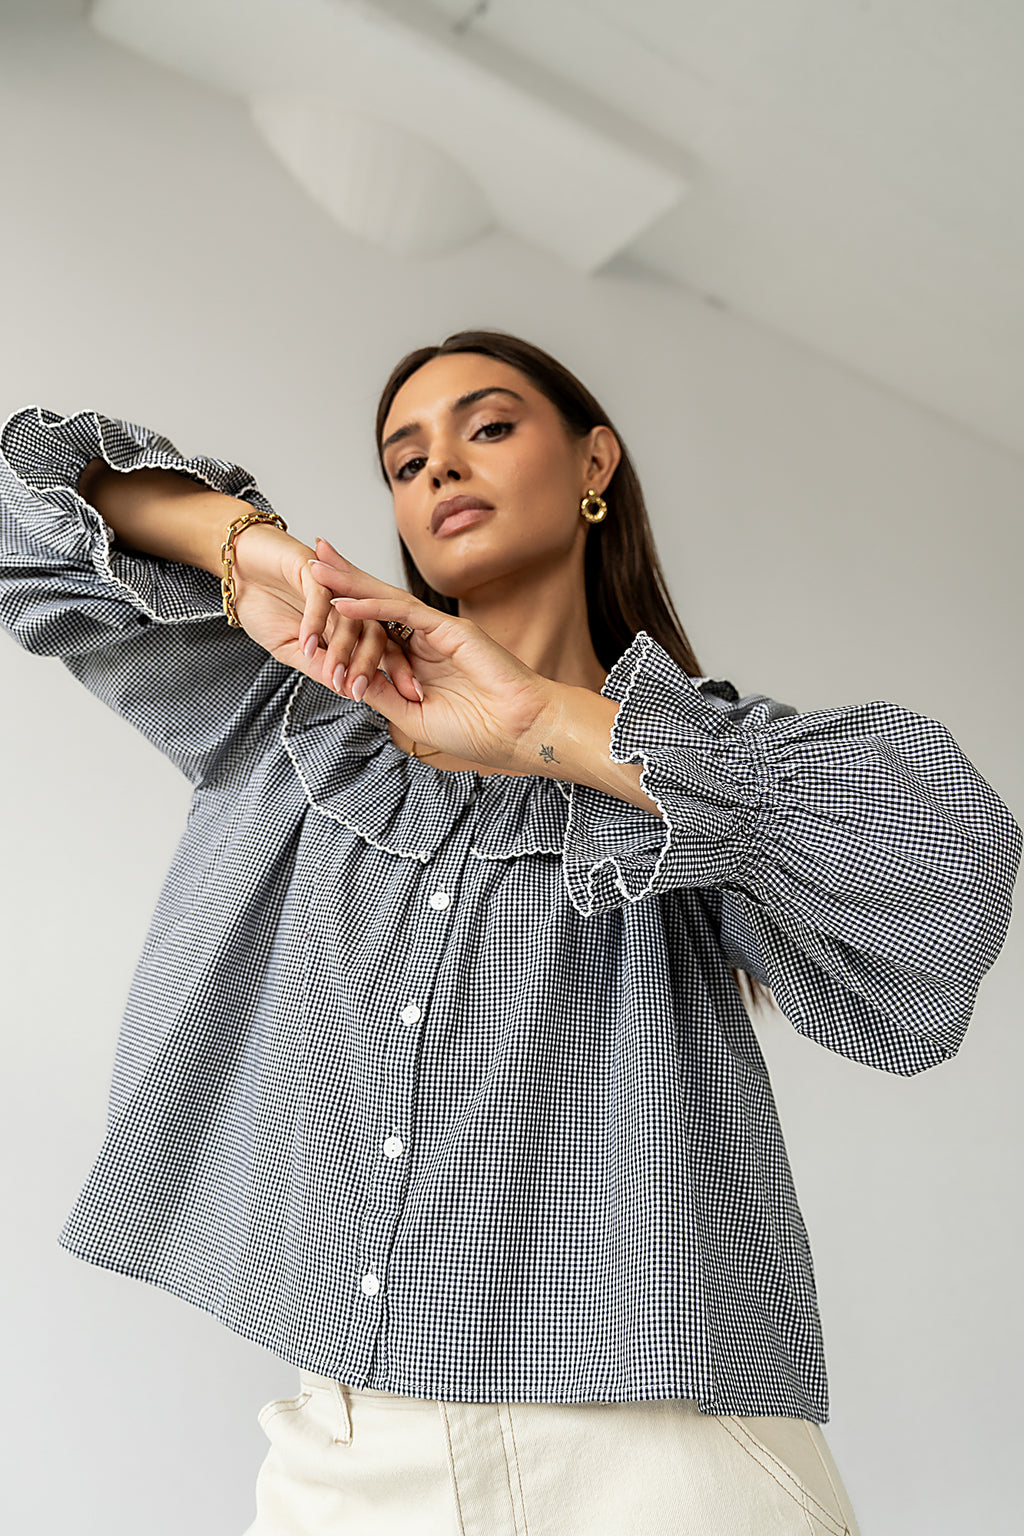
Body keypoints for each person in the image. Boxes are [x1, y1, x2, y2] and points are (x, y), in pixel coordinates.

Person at [1, 329, 1019, 1536]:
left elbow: (949, 867)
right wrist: (257, 552)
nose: (437, 471)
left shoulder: (695, 768)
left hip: (662, 1447)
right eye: (402, 459)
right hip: (348, 1456)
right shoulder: (291, 714)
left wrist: (543, 723)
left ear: (595, 460)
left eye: (485, 428)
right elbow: (27, 503)